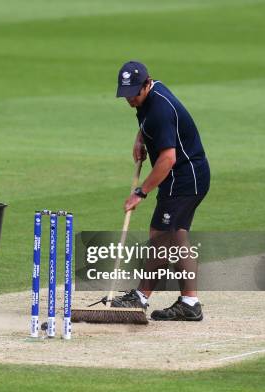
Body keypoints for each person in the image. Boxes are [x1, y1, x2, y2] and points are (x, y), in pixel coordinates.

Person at [113, 61, 210, 321]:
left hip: (183, 179)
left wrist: (140, 192)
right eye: (126, 93)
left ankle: (141, 297)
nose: (130, 98)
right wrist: (141, 136)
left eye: (134, 92)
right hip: (189, 177)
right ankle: (190, 303)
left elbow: (167, 159)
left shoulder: (158, 110)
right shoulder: (150, 97)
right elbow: (150, 122)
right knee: (176, 238)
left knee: (161, 237)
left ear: (147, 83)